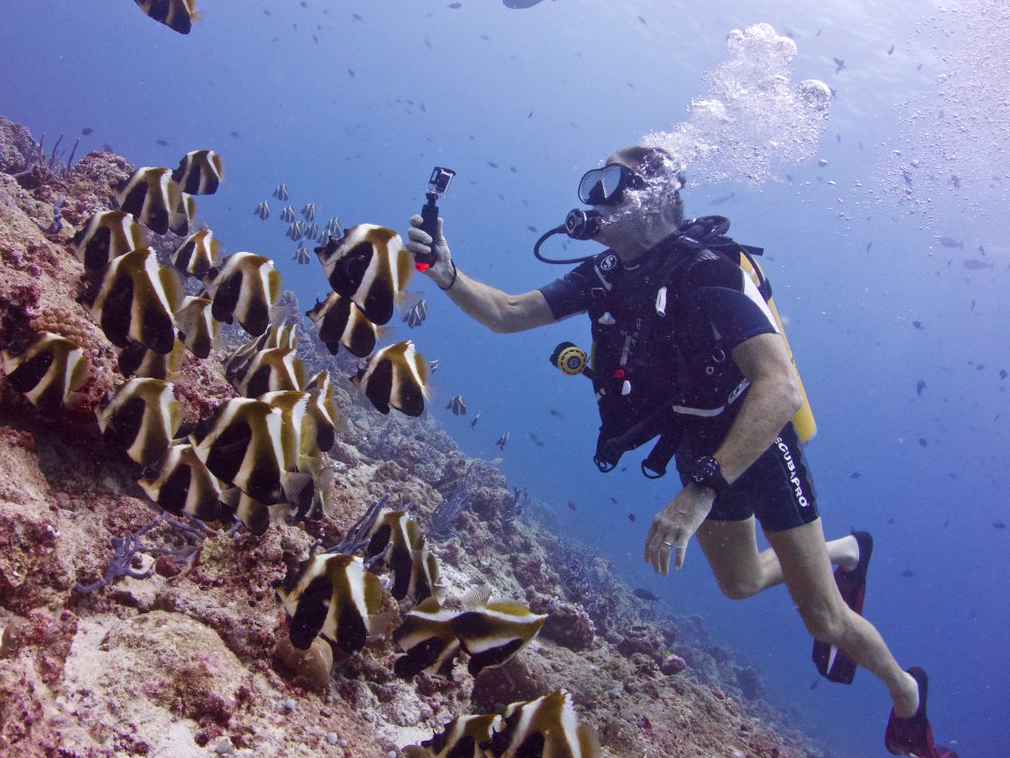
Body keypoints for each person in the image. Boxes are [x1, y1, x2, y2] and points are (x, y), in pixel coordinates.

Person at [406, 146, 955, 758]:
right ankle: (845, 552)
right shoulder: (607, 272)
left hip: (758, 447)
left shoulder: (708, 270)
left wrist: (701, 489)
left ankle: (908, 700)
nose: (594, 198)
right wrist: (445, 274)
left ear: (656, 199)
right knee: (741, 584)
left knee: (825, 621)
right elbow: (508, 314)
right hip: (699, 447)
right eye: (592, 181)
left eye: (611, 183)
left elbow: (779, 388)